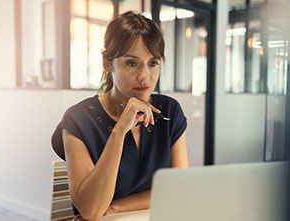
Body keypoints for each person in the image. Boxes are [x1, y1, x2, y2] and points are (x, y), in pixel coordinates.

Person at [51, 11, 189, 221]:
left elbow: (179, 190)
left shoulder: (169, 112)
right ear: (107, 63)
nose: (145, 76)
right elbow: (90, 210)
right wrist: (119, 130)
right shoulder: (78, 120)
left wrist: (113, 208)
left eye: (153, 63)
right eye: (132, 63)